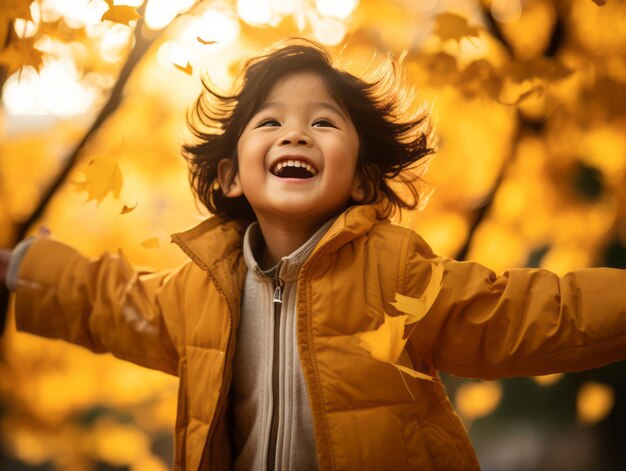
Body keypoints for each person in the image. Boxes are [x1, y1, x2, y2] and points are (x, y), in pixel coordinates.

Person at [0, 40, 624, 471]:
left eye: (323, 123)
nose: (294, 133)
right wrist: (27, 269)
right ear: (229, 178)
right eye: (269, 123)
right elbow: (114, 302)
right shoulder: (200, 293)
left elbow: (531, 313)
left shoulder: (396, 271)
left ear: (359, 180)